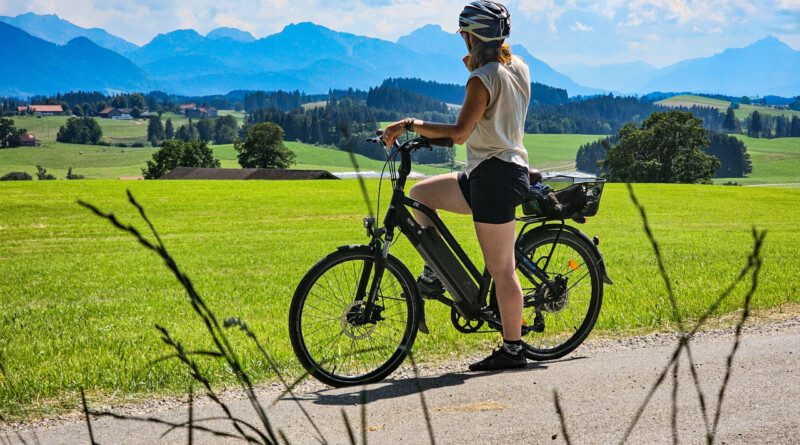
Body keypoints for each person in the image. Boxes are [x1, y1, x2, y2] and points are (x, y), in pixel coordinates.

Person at [382, 0, 531, 371]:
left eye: (463, 35)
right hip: (495, 171)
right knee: (419, 196)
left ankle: (513, 349)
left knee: (502, 270)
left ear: (471, 37)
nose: (461, 40)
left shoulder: (483, 79)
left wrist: (410, 124)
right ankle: (436, 272)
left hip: (496, 179)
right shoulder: (517, 66)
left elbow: (460, 134)